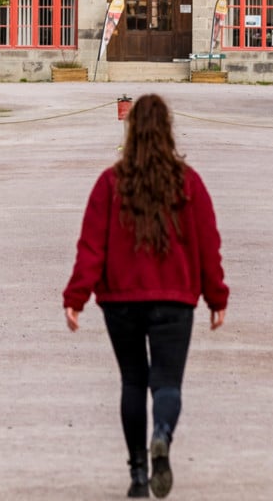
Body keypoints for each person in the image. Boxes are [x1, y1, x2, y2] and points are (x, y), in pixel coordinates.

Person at [63, 94, 229, 499]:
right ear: (168, 130)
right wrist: (216, 297)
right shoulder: (188, 182)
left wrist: (77, 295)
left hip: (120, 300)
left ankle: (138, 473)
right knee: (167, 383)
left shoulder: (110, 182)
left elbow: (91, 247)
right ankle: (162, 435)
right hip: (175, 299)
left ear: (131, 130)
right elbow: (208, 244)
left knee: (133, 381)